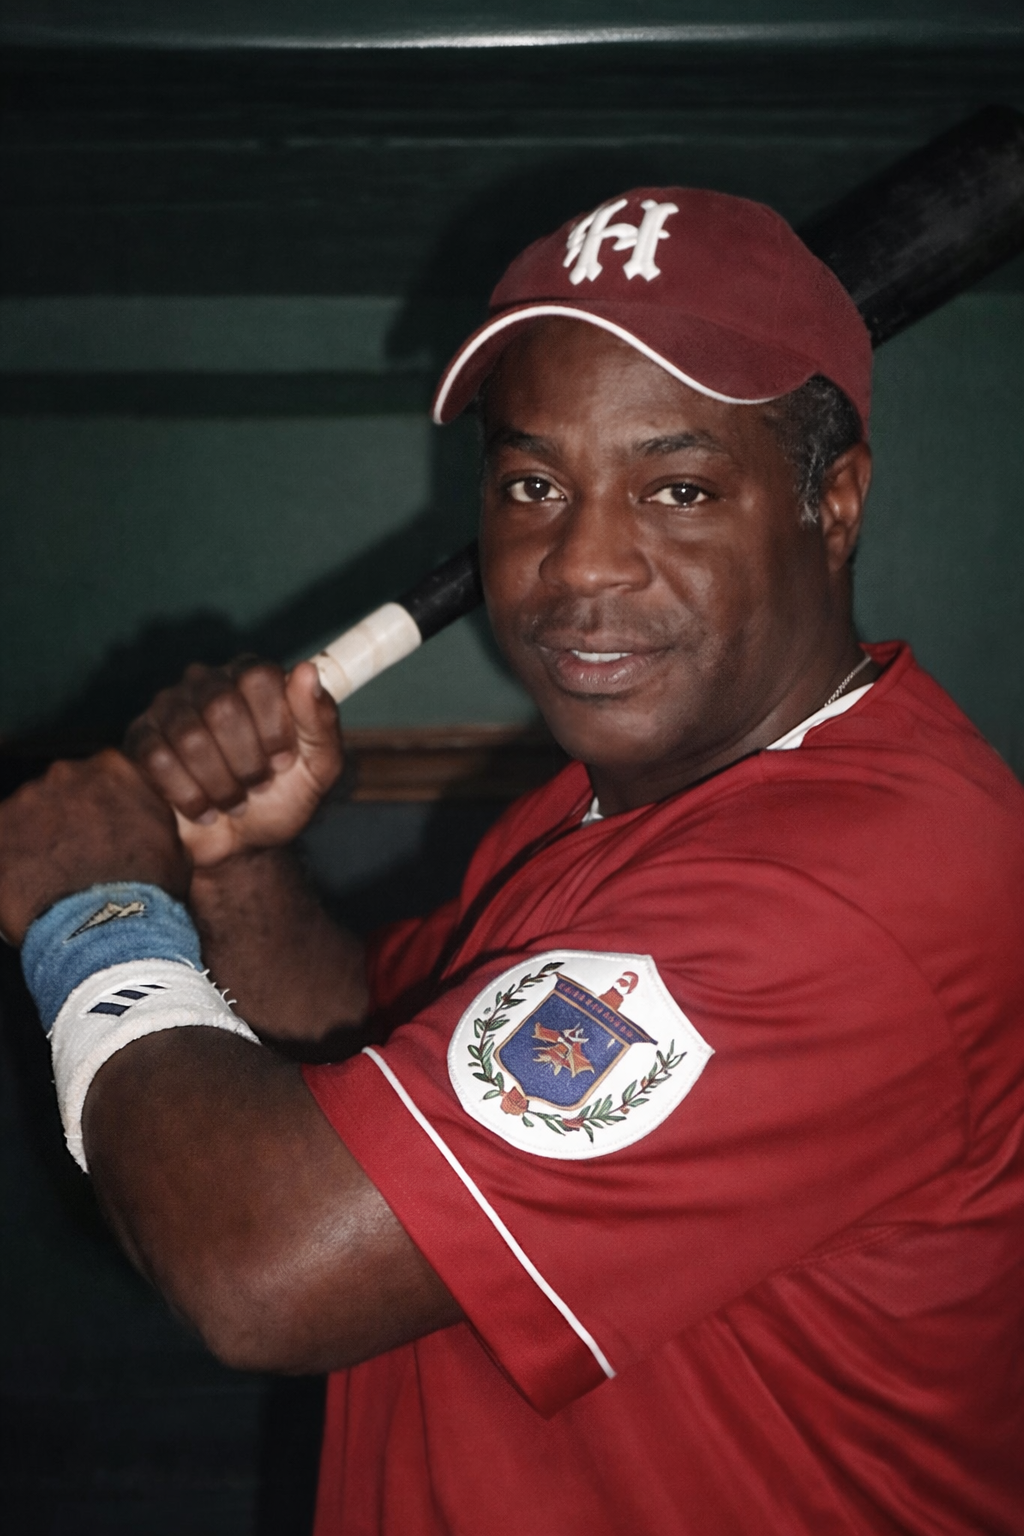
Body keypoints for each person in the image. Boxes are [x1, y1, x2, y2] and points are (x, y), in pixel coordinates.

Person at [1, 188, 1022, 1536]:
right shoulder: (606, 807)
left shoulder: (853, 889)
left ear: (832, 504)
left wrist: (93, 912)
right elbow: (363, 1036)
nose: (580, 563)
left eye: (678, 486)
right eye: (534, 483)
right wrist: (233, 863)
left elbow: (266, 1272)